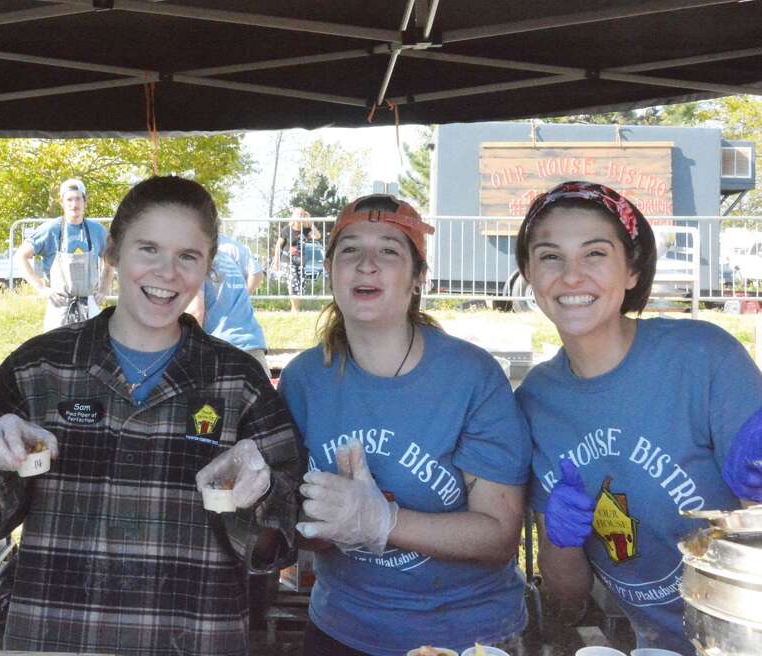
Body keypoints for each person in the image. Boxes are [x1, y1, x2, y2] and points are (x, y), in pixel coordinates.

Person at [0, 175, 304, 656]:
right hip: (56, 636)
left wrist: (258, 495)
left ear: (208, 268)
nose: (167, 272)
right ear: (112, 251)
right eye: (149, 249)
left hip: (194, 636)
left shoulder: (238, 380)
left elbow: (273, 544)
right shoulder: (39, 367)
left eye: (188, 257)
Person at [513, 181, 762, 656]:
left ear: (632, 269)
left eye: (595, 254)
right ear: (528, 273)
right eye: (550, 257)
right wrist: (562, 539)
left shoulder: (703, 358)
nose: (571, 276)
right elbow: (567, 599)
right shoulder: (536, 401)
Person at [279, 194, 530, 656]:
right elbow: (296, 519)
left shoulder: (471, 377)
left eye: (389, 251)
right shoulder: (303, 380)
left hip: (466, 635)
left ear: (418, 278)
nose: (366, 265)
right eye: (349, 249)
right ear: (331, 269)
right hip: (342, 629)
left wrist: (383, 521)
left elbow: (498, 536)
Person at [15, 177, 113, 330]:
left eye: (78, 199)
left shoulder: (96, 230)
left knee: (92, 350)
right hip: (59, 305)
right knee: (56, 351)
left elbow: (110, 259)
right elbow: (20, 256)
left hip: (89, 304)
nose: (74, 204)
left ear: (85, 201)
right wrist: (42, 288)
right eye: (69, 199)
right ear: (62, 202)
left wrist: (104, 288)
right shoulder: (50, 229)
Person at [188, 232, 269, 376]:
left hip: (223, 353)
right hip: (253, 349)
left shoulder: (195, 262)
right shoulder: (225, 259)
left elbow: (195, 313)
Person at [272, 206, 321, 312]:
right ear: (293, 216)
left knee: (300, 285)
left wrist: (310, 222)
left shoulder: (306, 230)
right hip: (287, 259)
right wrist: (276, 262)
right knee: (293, 281)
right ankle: (294, 310)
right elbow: (278, 246)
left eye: (302, 214)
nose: (300, 216)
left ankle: (295, 308)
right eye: (298, 214)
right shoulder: (286, 230)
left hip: (301, 261)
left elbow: (317, 236)